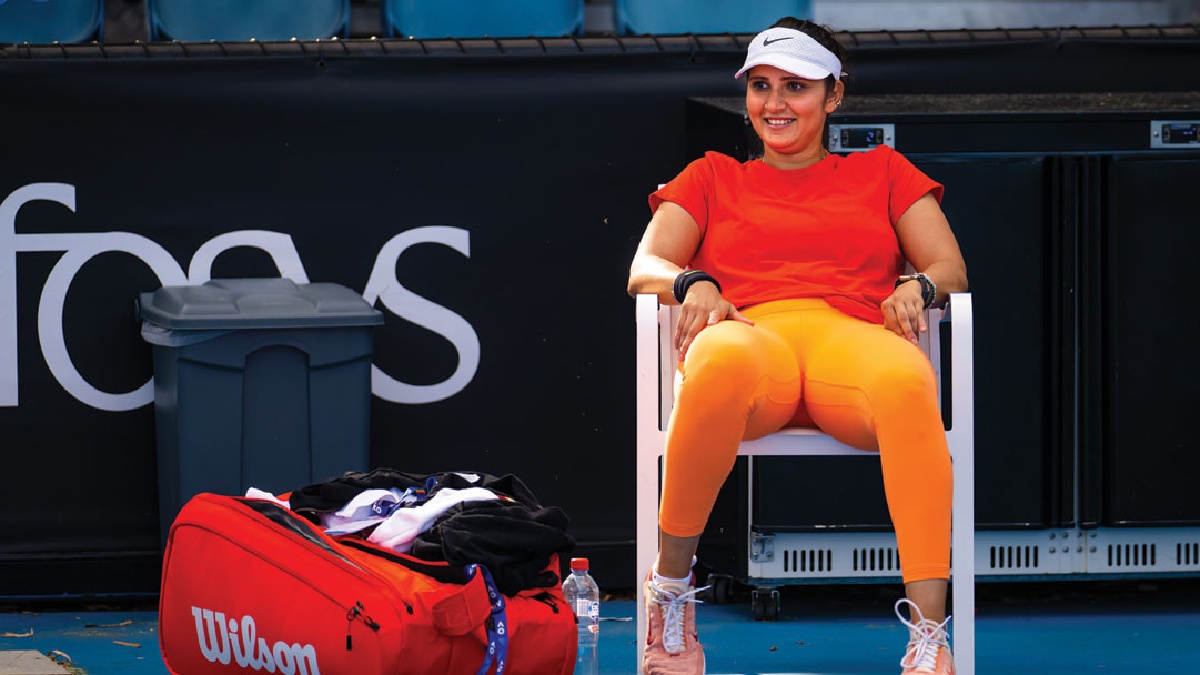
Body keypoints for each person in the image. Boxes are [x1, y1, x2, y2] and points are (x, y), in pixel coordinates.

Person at [626, 16, 969, 675]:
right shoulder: (712, 175)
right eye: (761, 86)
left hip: (853, 343)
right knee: (718, 361)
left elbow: (949, 266)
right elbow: (646, 267)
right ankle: (668, 592)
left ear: (834, 95)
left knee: (907, 381)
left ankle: (930, 638)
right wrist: (693, 280)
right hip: (755, 337)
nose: (775, 103)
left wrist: (920, 286)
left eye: (796, 86)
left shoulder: (883, 170)